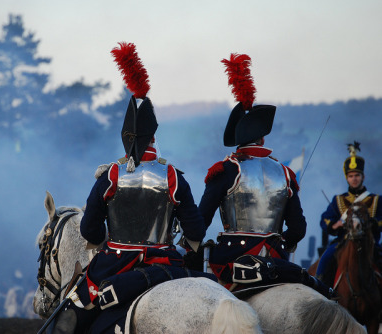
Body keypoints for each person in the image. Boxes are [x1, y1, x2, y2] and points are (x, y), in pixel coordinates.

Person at [50, 42, 214, 334]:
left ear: (126, 136)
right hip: (167, 264)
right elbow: (197, 232)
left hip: (115, 266)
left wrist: (105, 239)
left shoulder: (110, 176)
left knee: (68, 322)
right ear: (153, 136)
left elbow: (89, 231)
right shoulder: (173, 176)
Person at [197, 53, 332, 298]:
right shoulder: (285, 173)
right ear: (263, 138)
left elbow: (200, 220)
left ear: (238, 139)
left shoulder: (226, 169)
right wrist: (281, 243)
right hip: (276, 262)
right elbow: (298, 228)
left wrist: (191, 245)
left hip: (230, 262)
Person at [316, 141, 382, 286]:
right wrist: (335, 224)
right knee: (325, 259)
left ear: (363, 177)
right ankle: (321, 289)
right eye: (351, 176)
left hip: (371, 244)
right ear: (347, 178)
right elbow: (325, 219)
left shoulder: (376, 199)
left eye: (357, 175)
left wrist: (374, 222)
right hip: (343, 243)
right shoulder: (338, 200)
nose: (354, 178)